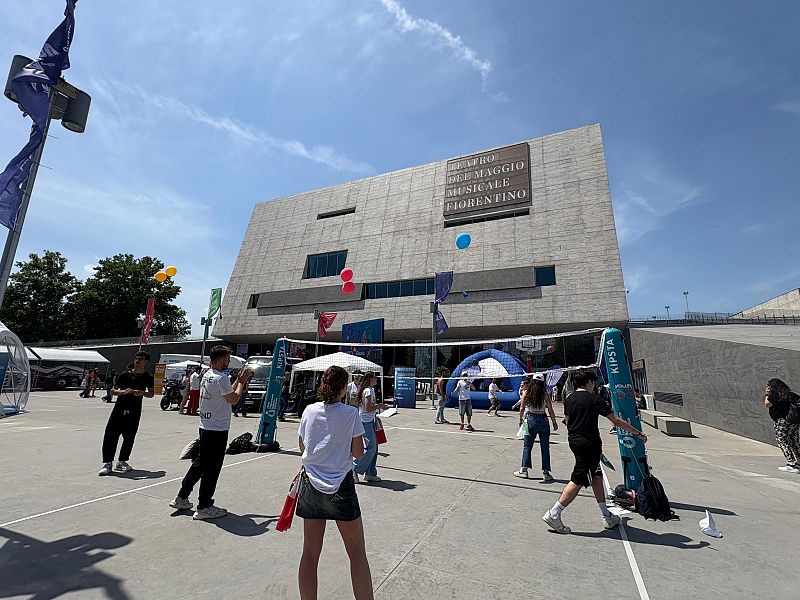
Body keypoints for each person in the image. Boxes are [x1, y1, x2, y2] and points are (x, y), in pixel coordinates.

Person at [295, 365, 373, 600]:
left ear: (322, 385)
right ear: (343, 388)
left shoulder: (309, 410)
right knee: (357, 554)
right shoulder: (350, 414)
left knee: (310, 553)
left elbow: (303, 446)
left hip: (310, 483)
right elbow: (358, 453)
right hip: (340, 484)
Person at [542, 369, 647, 534]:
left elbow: (568, 421)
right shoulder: (594, 399)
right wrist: (637, 433)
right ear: (590, 382)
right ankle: (554, 513)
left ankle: (607, 515)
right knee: (578, 479)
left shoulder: (569, 399)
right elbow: (616, 420)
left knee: (597, 475)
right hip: (588, 444)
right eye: (594, 383)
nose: (594, 386)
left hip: (575, 441)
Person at [170, 346, 253, 519]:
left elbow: (225, 393)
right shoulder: (221, 378)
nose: (228, 362)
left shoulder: (208, 374)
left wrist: (237, 382)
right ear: (221, 360)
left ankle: (182, 496)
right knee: (212, 468)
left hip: (206, 426)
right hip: (217, 429)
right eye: (227, 359)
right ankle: (204, 506)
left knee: (200, 463)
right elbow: (233, 399)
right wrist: (241, 382)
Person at [98, 352, 155, 476]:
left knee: (129, 437)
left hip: (135, 410)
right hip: (119, 409)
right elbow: (113, 391)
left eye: (140, 359)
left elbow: (151, 393)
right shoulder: (125, 375)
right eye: (136, 359)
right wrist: (123, 392)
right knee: (110, 436)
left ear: (146, 361)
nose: (137, 361)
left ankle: (122, 461)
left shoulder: (148, 377)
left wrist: (141, 393)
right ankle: (108, 463)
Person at [514, 374, 557, 481]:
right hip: (543, 419)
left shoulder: (527, 393)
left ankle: (524, 470)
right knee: (545, 447)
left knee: (527, 446)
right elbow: (550, 409)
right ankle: (546, 473)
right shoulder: (545, 394)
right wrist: (554, 422)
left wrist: (520, 419)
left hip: (531, 419)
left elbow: (522, 408)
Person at [352, 371, 384, 482]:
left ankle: (370, 473)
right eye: (375, 377)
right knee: (371, 448)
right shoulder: (367, 391)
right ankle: (354, 468)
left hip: (370, 420)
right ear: (370, 379)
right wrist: (379, 406)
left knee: (374, 448)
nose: (376, 379)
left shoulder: (371, 390)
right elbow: (368, 408)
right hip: (365, 422)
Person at [764, 378, 800, 473]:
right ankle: (799, 463)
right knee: (794, 441)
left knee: (782, 441)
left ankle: (791, 463)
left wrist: (767, 394)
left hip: (782, 422)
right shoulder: (791, 395)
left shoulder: (774, 396)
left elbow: (767, 404)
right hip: (794, 421)